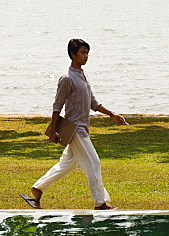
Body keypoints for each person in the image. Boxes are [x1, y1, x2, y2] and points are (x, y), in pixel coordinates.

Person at [22, 38, 128, 210]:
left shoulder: (83, 76)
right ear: (72, 55)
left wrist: (112, 114)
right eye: (82, 53)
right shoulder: (67, 79)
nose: (86, 56)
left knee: (67, 164)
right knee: (94, 163)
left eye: (87, 53)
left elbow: (93, 102)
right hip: (75, 129)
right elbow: (57, 106)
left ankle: (38, 188)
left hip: (82, 128)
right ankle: (100, 203)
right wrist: (53, 130)